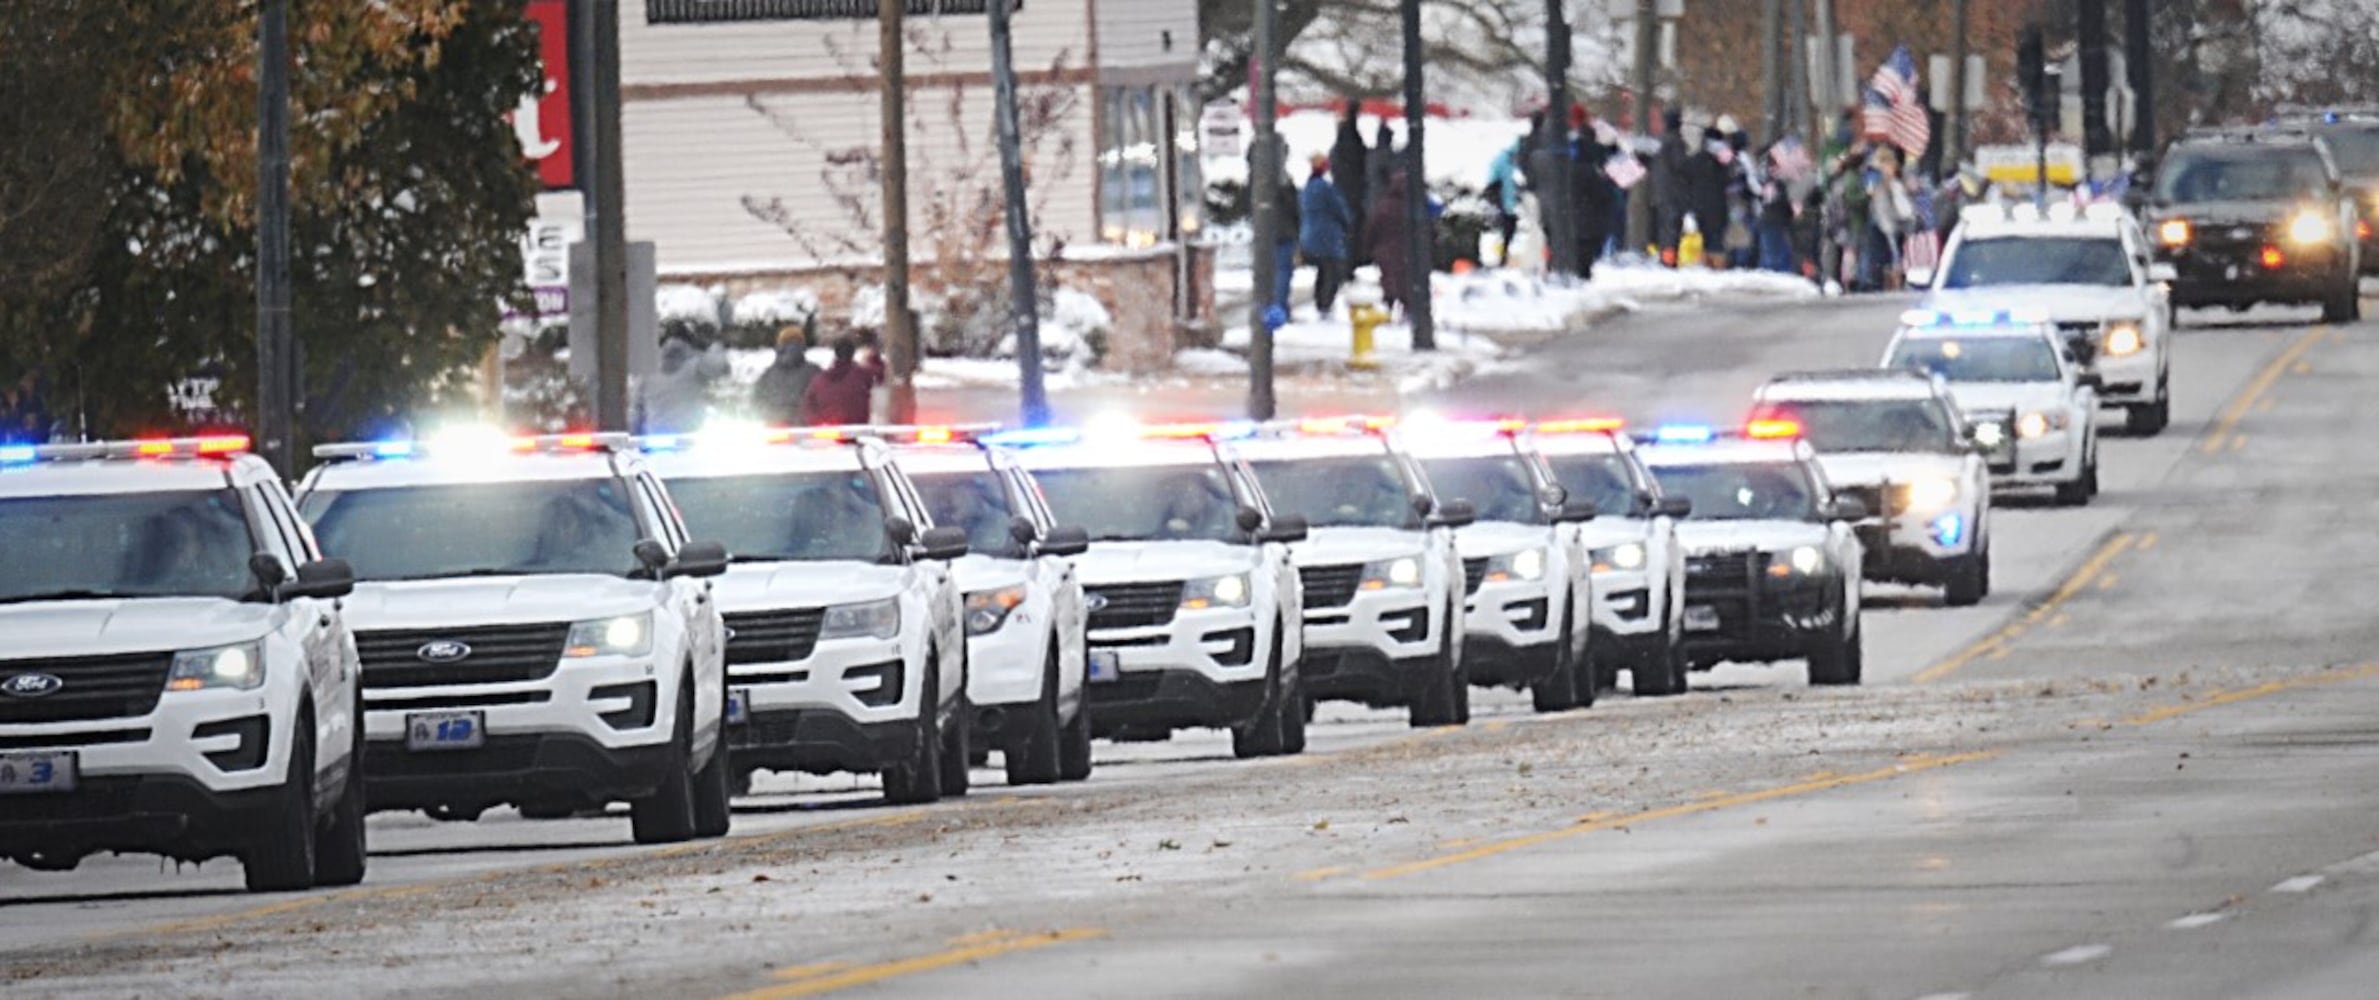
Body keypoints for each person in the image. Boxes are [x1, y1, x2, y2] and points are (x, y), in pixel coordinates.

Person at [632, 330, 728, 435]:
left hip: (655, 435)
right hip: (689, 435)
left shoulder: (647, 370)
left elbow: (637, 409)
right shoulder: (695, 366)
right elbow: (719, 366)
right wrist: (716, 345)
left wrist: (636, 434)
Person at [1298, 152, 1354, 315]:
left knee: (1323, 272)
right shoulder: (1327, 189)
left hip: (1309, 234)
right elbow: (1341, 210)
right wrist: (1348, 223)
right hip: (1328, 236)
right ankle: (1325, 304)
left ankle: (1320, 302)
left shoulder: (1306, 188)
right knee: (1332, 271)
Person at [750, 318, 820, 426]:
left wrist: (772, 416)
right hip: (806, 430)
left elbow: (756, 402)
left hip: (775, 430)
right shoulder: (814, 372)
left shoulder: (768, 375)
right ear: (802, 345)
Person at [801, 335, 883, 426]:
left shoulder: (819, 379)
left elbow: (808, 403)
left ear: (835, 353)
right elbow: (880, 375)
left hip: (828, 429)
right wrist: (874, 357)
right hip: (856, 429)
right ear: (853, 353)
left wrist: (816, 422)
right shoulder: (861, 374)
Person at [1367, 169, 1415, 314]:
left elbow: (1372, 228)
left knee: (1389, 277)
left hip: (1384, 250)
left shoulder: (1383, 205)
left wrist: (1369, 247)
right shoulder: (1411, 207)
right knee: (1405, 278)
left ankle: (1389, 303)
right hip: (1406, 250)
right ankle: (1406, 307)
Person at [1329, 103, 1371, 265]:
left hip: (1344, 190)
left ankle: (1348, 261)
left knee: (1347, 228)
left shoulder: (1339, 147)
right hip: (1355, 191)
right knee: (1354, 227)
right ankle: (1353, 259)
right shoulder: (1354, 142)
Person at [1684, 130, 1732, 269]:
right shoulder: (1719, 163)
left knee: (1703, 240)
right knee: (1715, 241)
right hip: (1716, 207)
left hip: (1699, 206)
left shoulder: (1694, 160)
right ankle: (1715, 266)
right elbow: (1727, 181)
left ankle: (1703, 265)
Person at [1649, 108, 1690, 265]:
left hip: (1660, 192)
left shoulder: (1659, 142)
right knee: (1672, 230)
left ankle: (1665, 259)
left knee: (1664, 229)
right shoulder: (1676, 142)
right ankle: (1669, 262)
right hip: (1674, 193)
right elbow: (1680, 165)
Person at [1484, 138, 1525, 267]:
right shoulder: (1506, 161)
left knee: (1507, 232)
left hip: (1507, 204)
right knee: (1506, 232)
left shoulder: (1504, 159)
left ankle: (1503, 258)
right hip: (1506, 204)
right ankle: (1502, 259)